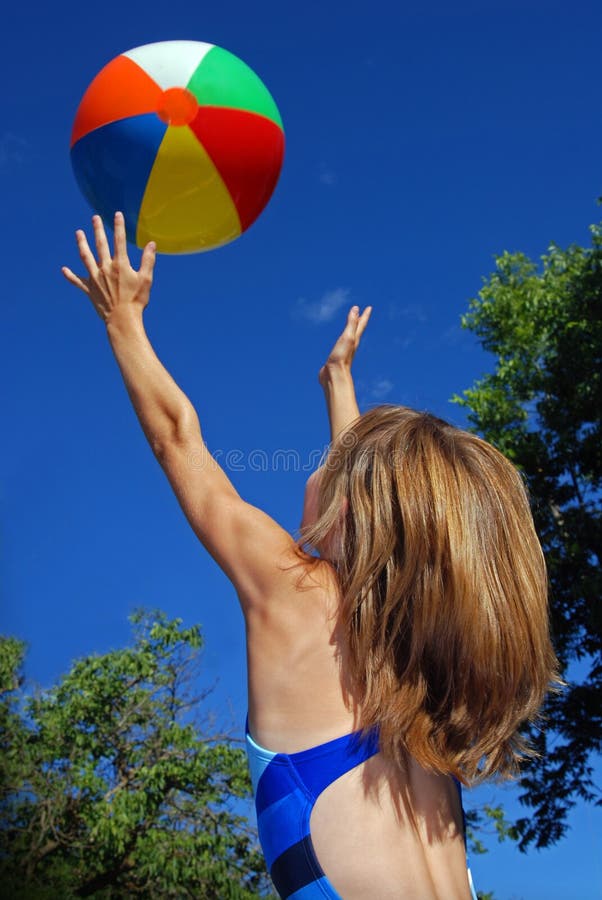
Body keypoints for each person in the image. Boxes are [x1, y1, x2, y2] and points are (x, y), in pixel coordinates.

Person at [63, 213, 559, 900]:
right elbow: (377, 512)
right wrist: (337, 385)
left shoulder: (301, 599)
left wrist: (122, 319)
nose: (319, 463)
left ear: (355, 510)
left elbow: (179, 440)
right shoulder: (416, 684)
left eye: (333, 465)